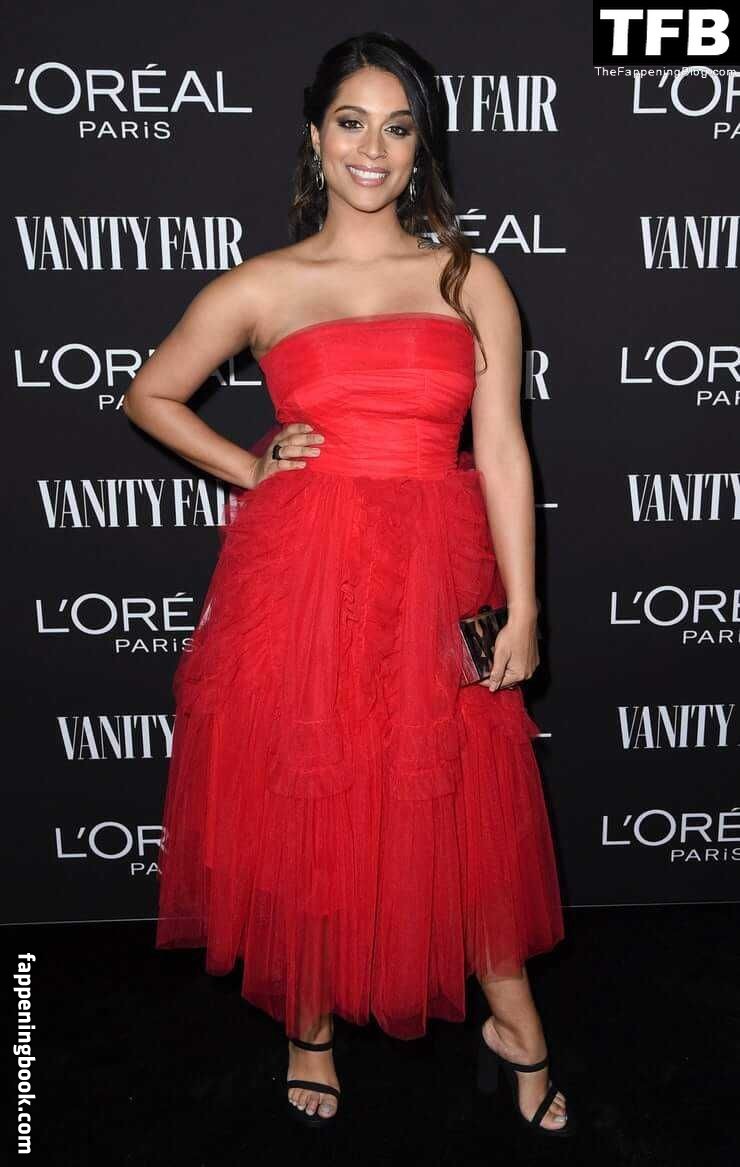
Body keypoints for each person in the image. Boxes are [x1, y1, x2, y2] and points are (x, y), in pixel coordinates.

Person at [122, 30, 573, 1138]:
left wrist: (523, 608)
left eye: (398, 127)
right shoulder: (266, 283)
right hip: (305, 577)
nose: (373, 148)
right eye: (351, 122)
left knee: (457, 797)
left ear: (421, 149)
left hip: (438, 571)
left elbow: (503, 449)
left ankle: (513, 1021)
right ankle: (308, 1026)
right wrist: (249, 467)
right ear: (315, 136)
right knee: (310, 795)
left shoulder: (467, 276)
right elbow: (150, 393)